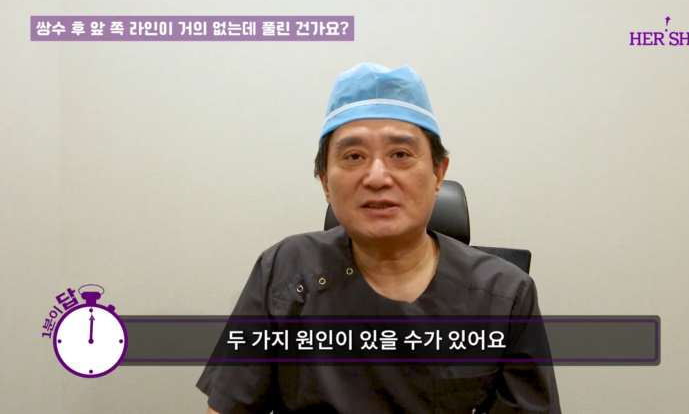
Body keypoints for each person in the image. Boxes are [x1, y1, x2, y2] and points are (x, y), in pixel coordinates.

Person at [196, 62, 561, 413]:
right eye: (354, 156)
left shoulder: (506, 295)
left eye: (400, 154)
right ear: (325, 182)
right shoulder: (283, 272)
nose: (377, 177)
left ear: (438, 174)